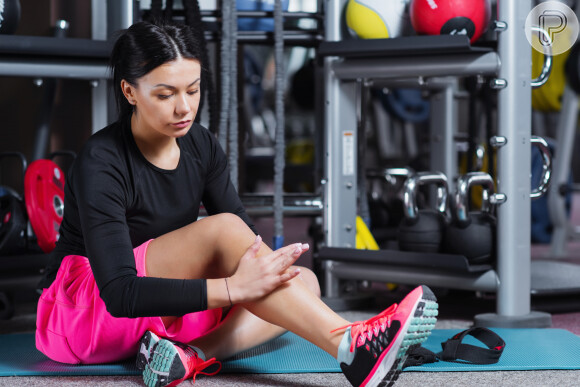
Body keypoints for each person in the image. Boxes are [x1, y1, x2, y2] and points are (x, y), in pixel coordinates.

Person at [35, 21, 438, 387]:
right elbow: (121, 294)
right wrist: (232, 288)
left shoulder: (202, 146)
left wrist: (251, 280)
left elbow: (247, 250)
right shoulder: (101, 161)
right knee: (227, 232)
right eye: (165, 94)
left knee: (303, 282)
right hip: (86, 312)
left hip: (161, 310)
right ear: (129, 91)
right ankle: (351, 346)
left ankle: (188, 356)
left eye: (192, 90)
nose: (184, 108)